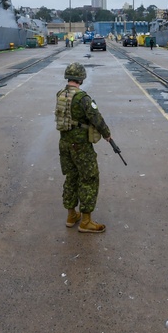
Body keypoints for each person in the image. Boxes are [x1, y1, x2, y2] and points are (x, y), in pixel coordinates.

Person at [55, 62, 112, 233]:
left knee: (71, 177)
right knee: (89, 178)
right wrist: (107, 134)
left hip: (64, 143)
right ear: (81, 78)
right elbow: (96, 118)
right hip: (80, 145)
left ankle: (71, 215)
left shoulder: (60, 95)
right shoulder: (83, 98)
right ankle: (86, 221)